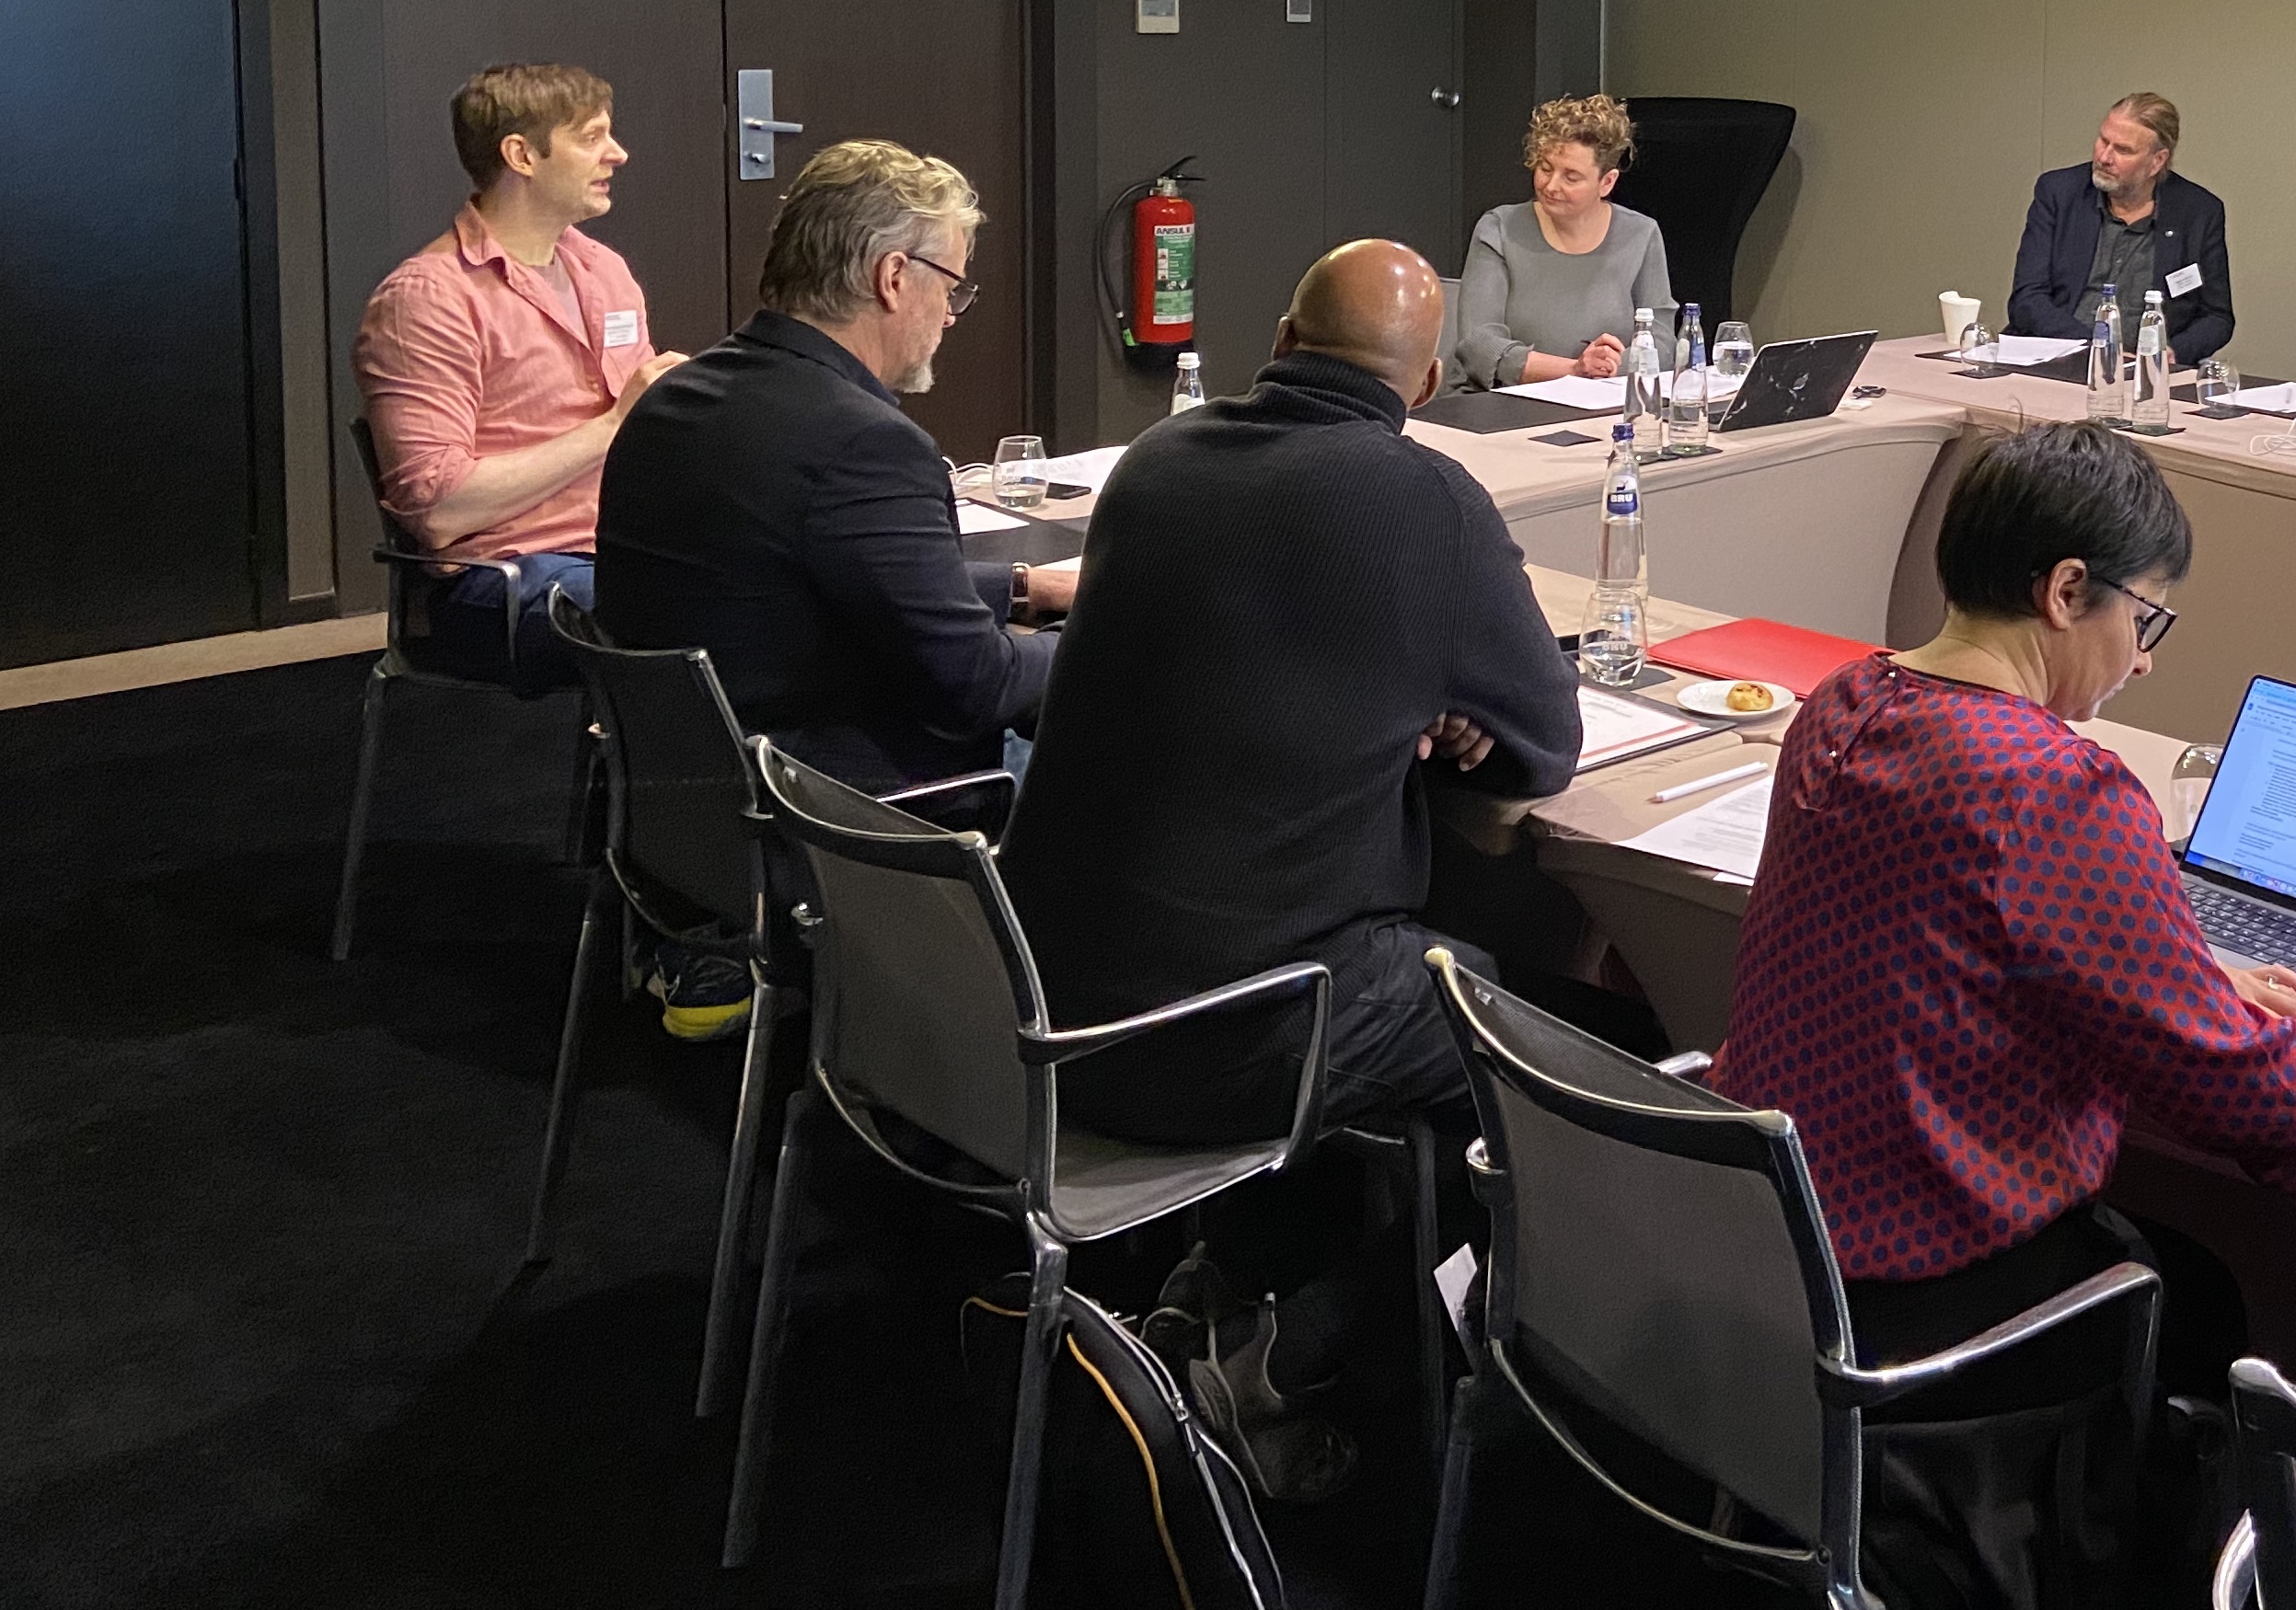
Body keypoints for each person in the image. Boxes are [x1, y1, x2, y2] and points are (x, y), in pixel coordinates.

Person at [1709, 420, 2296, 1607]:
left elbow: (1945, 925)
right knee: (2202, 1302)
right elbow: (2268, 1102)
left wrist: (2182, 969)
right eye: (2145, 621)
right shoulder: (2053, 784)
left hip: (1773, 1246)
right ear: (2063, 591)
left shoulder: (1844, 701)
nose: (2142, 662)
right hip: (1918, 1298)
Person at [997, 238, 1582, 1495]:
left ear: (1276, 340)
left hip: (1043, 998)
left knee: (1321, 948)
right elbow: (1546, 740)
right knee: (1510, 1035)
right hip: (1219, 1037)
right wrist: (1444, 708)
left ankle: (1228, 1289)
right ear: (1427, 384)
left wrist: (1410, 693)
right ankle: (1300, 1366)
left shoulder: (1155, 464)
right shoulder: (1429, 503)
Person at [596, 139, 1067, 799]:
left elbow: (814, 580)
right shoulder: (866, 444)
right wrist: (1113, 627)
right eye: (951, 288)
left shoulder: (672, 401)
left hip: (685, 800)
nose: (949, 316)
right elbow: (978, 688)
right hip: (842, 812)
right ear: (893, 276)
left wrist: (1024, 586)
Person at [352, 63, 685, 697]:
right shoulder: (428, 300)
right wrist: (614, 426)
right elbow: (438, 510)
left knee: (796, 575)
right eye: (591, 138)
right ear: (522, 155)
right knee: (696, 611)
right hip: (500, 578)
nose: (617, 154)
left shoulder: (603, 270)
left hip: (620, 548)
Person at [1449, 93, 1676, 389]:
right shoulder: (1499, 229)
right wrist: (1574, 370)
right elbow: (1479, 345)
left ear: (1606, 182)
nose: (1551, 185)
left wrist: (1610, 367)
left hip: (1603, 399)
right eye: (1545, 168)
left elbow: (1662, 344)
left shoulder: (1641, 234)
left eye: (1571, 177)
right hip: (1503, 400)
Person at [2004, 92, 2233, 367]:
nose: (2104, 157)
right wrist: (2097, 348)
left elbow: (2217, 317)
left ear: (2157, 161)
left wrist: (2171, 353)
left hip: (2145, 371)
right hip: (2057, 357)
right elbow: (2027, 299)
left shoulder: (2197, 212)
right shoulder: (2059, 193)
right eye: (2103, 140)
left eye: (2123, 150)